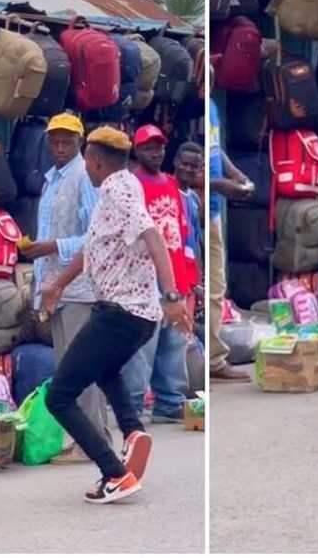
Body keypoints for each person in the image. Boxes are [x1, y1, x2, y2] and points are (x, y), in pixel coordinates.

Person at [41, 126, 194, 504]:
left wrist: (173, 294)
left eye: (88, 161)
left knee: (59, 396)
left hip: (122, 313)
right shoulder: (121, 188)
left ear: (95, 162)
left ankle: (115, 474)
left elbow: (153, 236)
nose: (86, 167)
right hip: (131, 314)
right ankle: (132, 431)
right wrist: (58, 285)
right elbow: (91, 248)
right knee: (105, 370)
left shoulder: (117, 190)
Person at [21, 113, 106, 465]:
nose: (59, 147)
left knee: (79, 367)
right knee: (70, 366)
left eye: (66, 142)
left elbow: (95, 235)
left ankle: (91, 441)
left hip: (80, 288)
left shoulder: (83, 178)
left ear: (79, 144)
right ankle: (87, 437)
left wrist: (52, 246)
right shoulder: (51, 180)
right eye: (54, 141)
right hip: (57, 287)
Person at [121, 124, 199, 423]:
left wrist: (189, 277)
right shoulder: (130, 185)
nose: (156, 152)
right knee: (144, 343)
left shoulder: (170, 184)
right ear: (136, 150)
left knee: (175, 339)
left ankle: (169, 401)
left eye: (159, 146)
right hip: (142, 275)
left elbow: (183, 233)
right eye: (148, 147)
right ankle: (134, 405)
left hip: (174, 272)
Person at [207, 66, 256, 383]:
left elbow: (215, 149)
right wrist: (220, 185)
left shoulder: (211, 107)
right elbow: (183, 167)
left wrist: (235, 174)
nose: (209, 83)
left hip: (213, 210)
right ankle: (209, 360)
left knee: (215, 286)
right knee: (203, 286)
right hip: (195, 207)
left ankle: (213, 358)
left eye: (213, 78)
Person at [174, 141, 207, 346]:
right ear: (176, 162)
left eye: (193, 166)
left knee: (184, 337)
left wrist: (199, 280)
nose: (187, 169)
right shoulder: (166, 190)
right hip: (173, 279)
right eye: (184, 164)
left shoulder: (194, 199)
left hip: (190, 281)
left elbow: (196, 242)